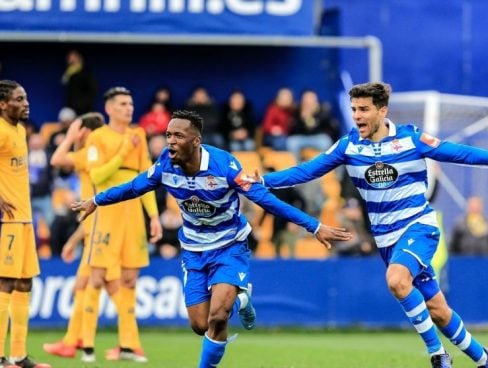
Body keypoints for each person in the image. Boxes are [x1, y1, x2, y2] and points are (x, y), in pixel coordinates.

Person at [251, 82, 488, 368]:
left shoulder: (411, 139)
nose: (357, 116)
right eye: (354, 109)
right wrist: (264, 180)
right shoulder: (348, 146)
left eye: (364, 109)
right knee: (439, 312)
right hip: (386, 240)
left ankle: (438, 355)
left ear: (382, 110)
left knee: (396, 280)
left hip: (418, 226)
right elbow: (306, 170)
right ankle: (484, 358)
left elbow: (460, 152)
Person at [70, 110, 352, 368]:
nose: (170, 141)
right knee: (200, 324)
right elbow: (134, 187)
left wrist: (313, 226)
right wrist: (97, 199)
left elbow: (267, 201)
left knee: (218, 316)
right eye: (168, 135)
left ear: (196, 141)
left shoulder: (224, 166)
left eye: (178, 135)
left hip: (229, 246)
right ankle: (242, 298)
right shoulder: (165, 165)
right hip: (193, 250)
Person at [78, 87, 162, 363]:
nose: (129, 108)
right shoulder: (98, 137)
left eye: (131, 103)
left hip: (133, 214)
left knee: (129, 280)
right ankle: (87, 344)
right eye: (123, 104)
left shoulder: (138, 134)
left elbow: (147, 178)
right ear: (109, 109)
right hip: (107, 210)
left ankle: (127, 345)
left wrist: (154, 216)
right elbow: (97, 175)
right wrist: (124, 151)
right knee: (97, 276)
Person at [42, 112, 120, 359]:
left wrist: (70, 136)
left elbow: (56, 159)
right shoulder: (93, 155)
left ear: (84, 132)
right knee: (90, 284)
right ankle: (74, 341)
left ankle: (100, 344)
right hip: (95, 227)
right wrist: (74, 240)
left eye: (78, 129)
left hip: (102, 229)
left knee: (105, 284)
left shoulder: (91, 154)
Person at [0, 80, 51, 368]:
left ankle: (18, 355)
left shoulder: (19, 130)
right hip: (7, 220)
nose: (26, 103)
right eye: (19, 98)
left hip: (25, 217)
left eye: (26, 97)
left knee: (24, 282)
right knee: (4, 282)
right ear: (3, 104)